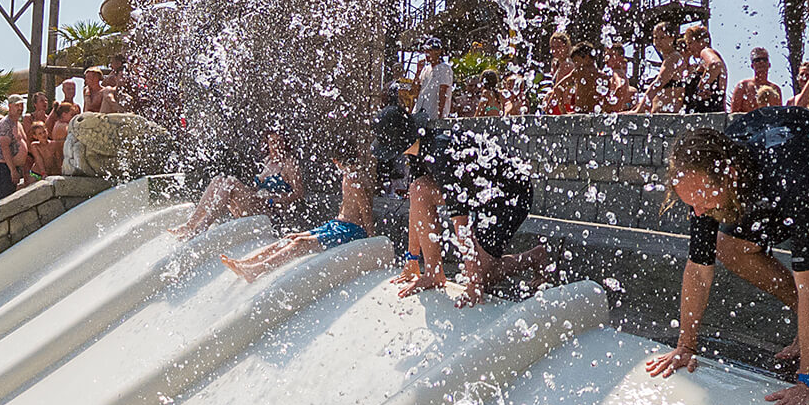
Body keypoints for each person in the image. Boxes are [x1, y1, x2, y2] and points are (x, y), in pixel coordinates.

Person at [644, 107, 809, 405]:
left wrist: (808, 380)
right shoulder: (707, 179)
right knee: (727, 245)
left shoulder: (792, 177)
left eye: (701, 199)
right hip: (792, 179)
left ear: (729, 175)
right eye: (689, 202)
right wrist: (686, 344)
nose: (697, 212)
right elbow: (698, 269)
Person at [391, 106, 549, 307]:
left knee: (483, 275)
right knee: (418, 188)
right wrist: (412, 259)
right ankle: (433, 272)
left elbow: (461, 224)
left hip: (509, 195)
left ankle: (534, 257)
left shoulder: (441, 155)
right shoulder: (416, 151)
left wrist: (474, 283)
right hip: (481, 194)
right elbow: (417, 203)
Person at [221, 149, 375, 282]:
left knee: (300, 242)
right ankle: (247, 263)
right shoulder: (350, 175)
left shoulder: (354, 178)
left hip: (351, 230)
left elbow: (365, 208)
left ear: (335, 161)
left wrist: (370, 236)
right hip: (338, 225)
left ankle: (256, 270)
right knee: (291, 237)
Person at [167, 131, 303, 238]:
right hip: (255, 203)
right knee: (218, 180)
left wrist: (275, 200)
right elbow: (258, 188)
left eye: (279, 142)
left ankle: (203, 226)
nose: (276, 145)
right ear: (267, 144)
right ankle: (191, 224)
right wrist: (252, 191)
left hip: (270, 210)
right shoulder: (267, 160)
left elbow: (299, 193)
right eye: (272, 142)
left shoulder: (290, 163)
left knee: (231, 181)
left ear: (285, 143)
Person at [638, 22, 686, 112]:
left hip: (667, 117)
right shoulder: (669, 58)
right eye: (655, 38)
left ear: (672, 38)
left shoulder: (674, 58)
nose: (658, 41)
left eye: (662, 38)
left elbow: (657, 84)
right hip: (662, 115)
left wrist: (638, 110)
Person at [545, 42, 603, 114]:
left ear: (587, 57)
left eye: (576, 61)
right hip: (595, 115)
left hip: (579, 114)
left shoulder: (579, 72)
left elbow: (557, 88)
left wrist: (564, 112)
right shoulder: (602, 76)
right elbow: (557, 88)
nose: (575, 64)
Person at [681, 25, 728, 113]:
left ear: (702, 41)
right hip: (713, 113)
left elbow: (715, 64)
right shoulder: (702, 63)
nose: (688, 48)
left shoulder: (706, 51)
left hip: (705, 115)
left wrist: (702, 86)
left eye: (690, 43)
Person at [0, 98, 28, 203]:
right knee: (3, 203)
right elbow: (5, 148)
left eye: (21, 105)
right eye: (17, 105)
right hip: (3, 169)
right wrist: (12, 170)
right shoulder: (5, 124)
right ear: (10, 106)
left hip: (13, 168)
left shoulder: (18, 124)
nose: (20, 108)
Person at [729, 48, 784, 114]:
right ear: (752, 65)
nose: (761, 62)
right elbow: (733, 114)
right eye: (757, 60)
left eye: (764, 59)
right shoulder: (743, 86)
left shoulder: (776, 89)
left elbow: (779, 114)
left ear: (769, 64)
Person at [602, 44, 639, 113]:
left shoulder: (617, 72)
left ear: (620, 57)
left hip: (615, 113)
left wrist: (612, 105)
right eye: (606, 56)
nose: (607, 58)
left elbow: (620, 86)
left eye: (610, 55)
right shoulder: (615, 75)